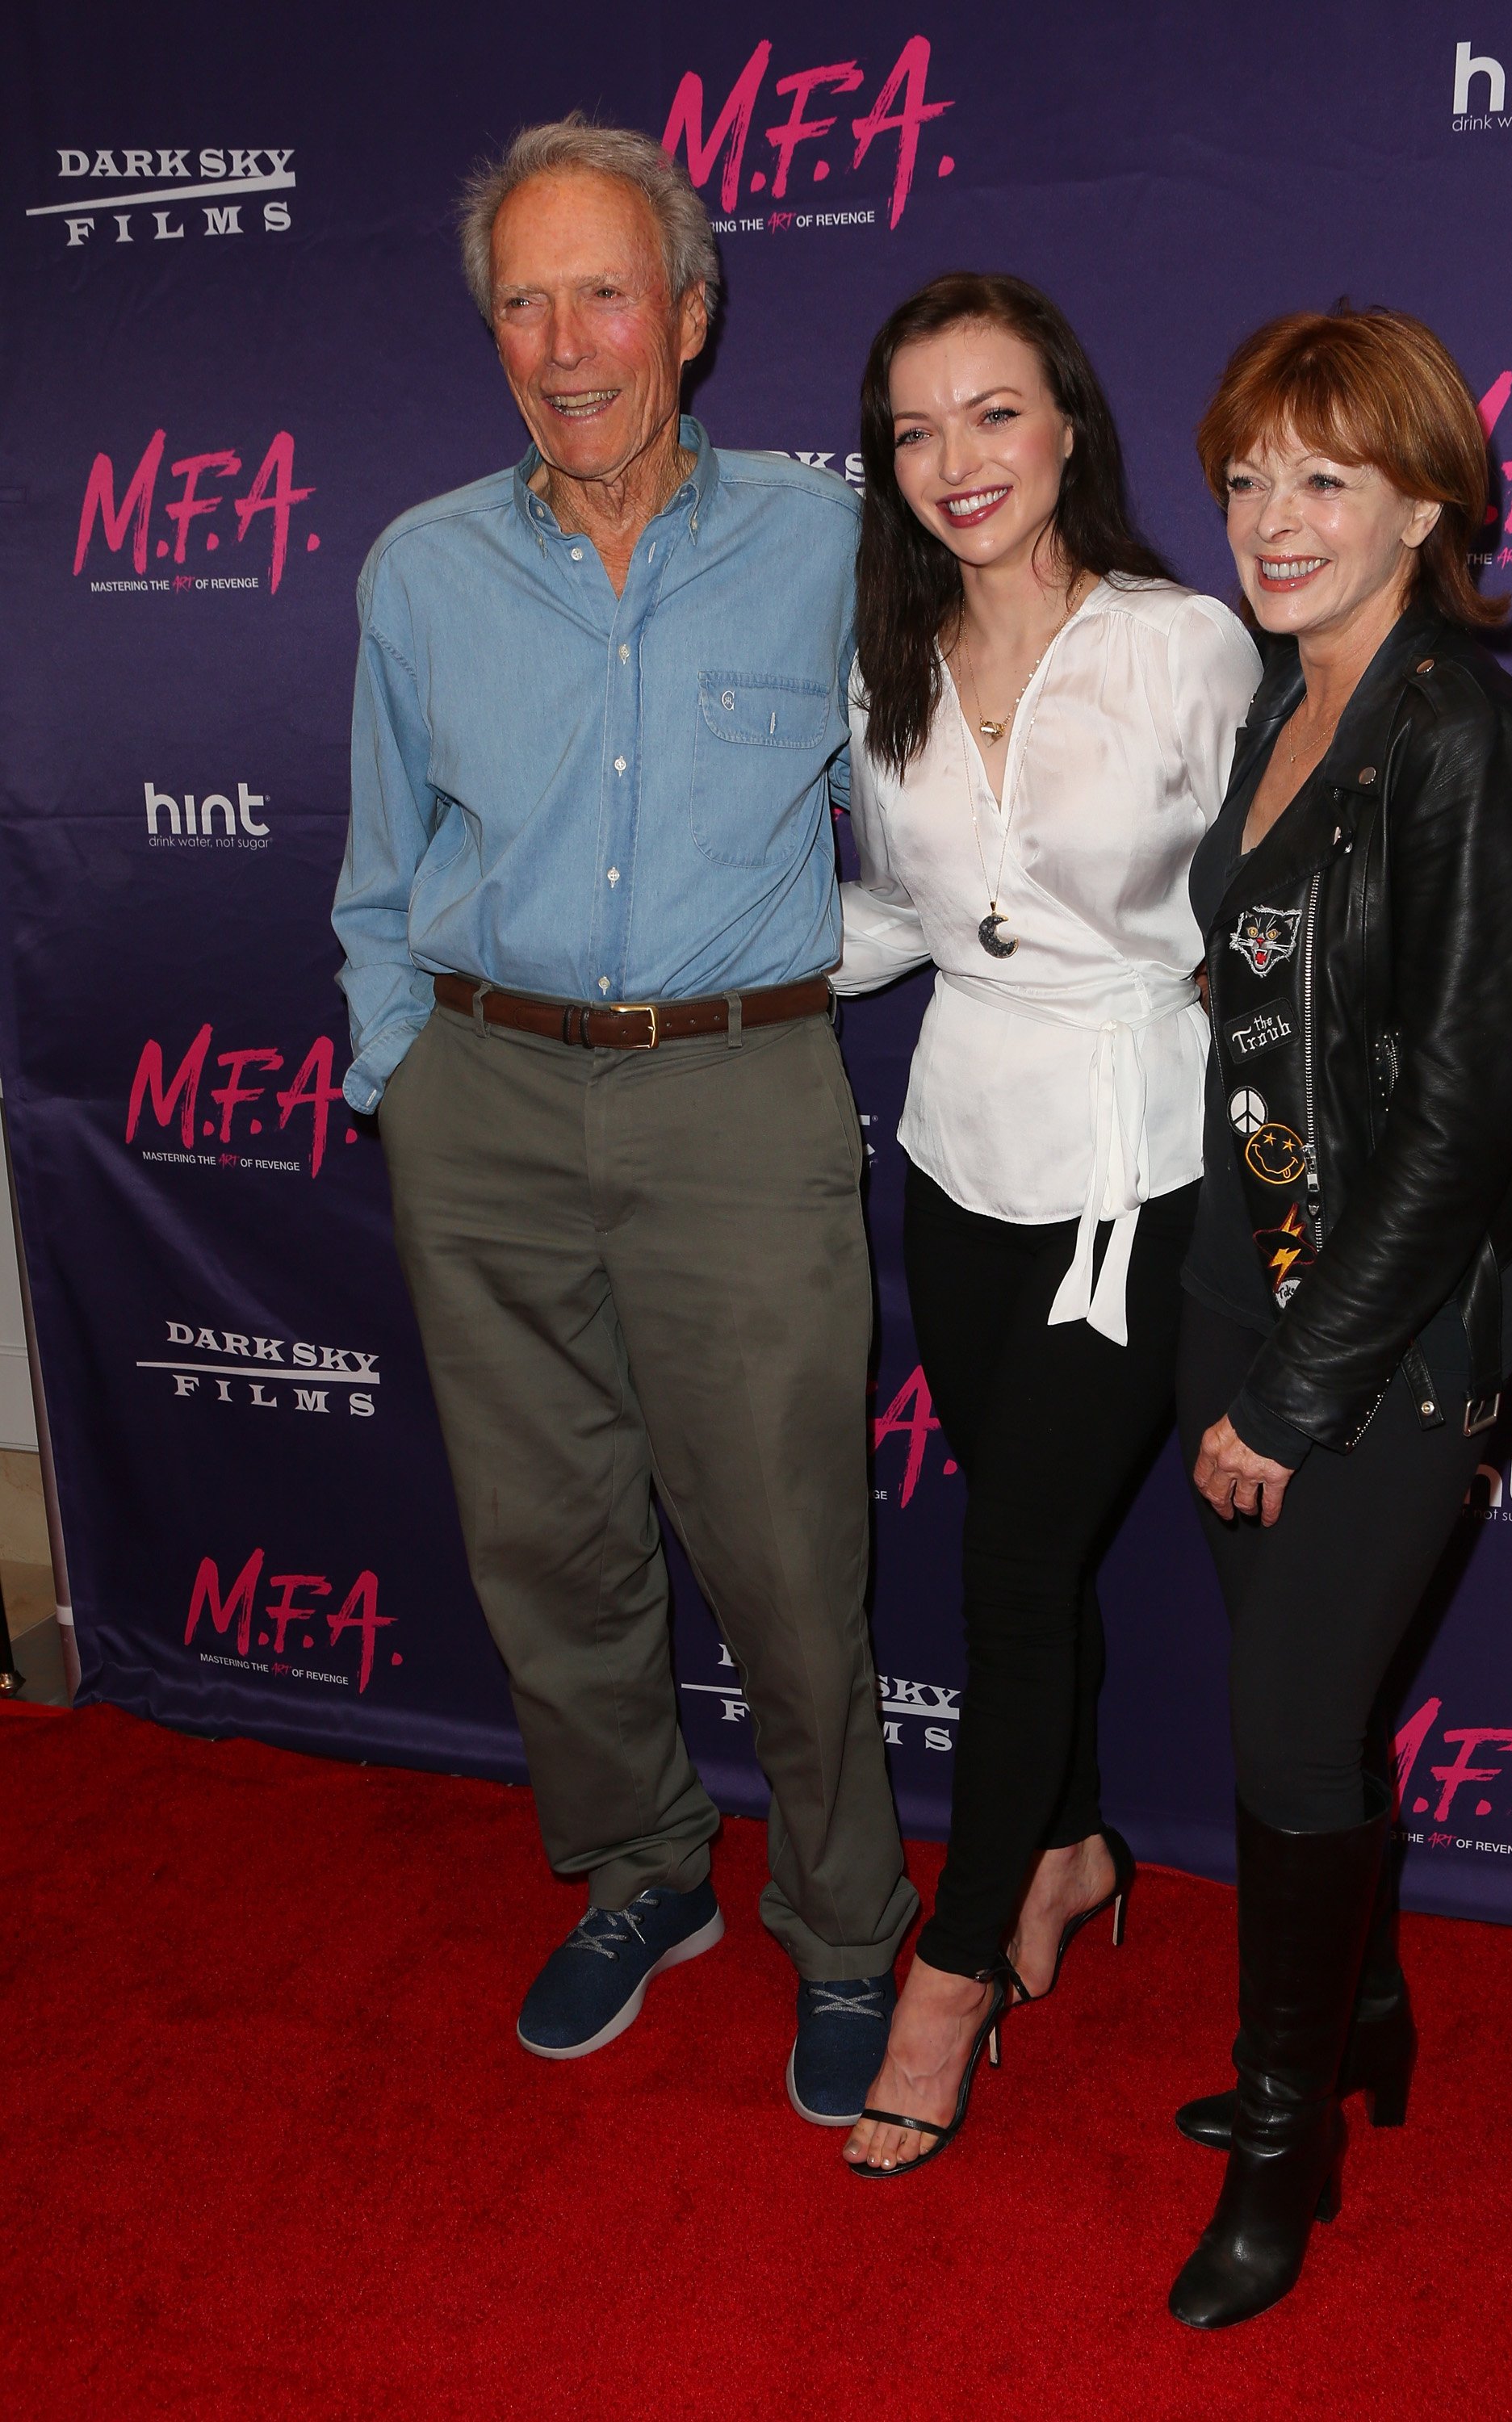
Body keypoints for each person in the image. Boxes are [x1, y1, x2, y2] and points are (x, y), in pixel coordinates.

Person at [331, 115, 918, 2126]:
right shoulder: (420, 566)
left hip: (738, 1098)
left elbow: (957, 794)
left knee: (781, 1545)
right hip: (479, 1098)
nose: (565, 341)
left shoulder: (832, 541)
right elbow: (373, 858)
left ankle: (845, 1932)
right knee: (548, 1541)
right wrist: (395, 1063)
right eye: (523, 298)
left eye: (603, 291)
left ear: (687, 310)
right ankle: (642, 1872)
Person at [1166, 306, 1512, 2327]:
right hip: (1233, 1287)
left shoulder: (1464, 743)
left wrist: (1297, 1390)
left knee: (1284, 1727)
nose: (1272, 516)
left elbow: (1447, 1121)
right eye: (1246, 474)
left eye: (1323, 477)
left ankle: (1281, 2131)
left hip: (1387, 1327)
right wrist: (1217, 1335)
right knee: (1298, 1712)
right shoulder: (1279, 701)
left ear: (1424, 500)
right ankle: (1365, 2015)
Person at [829, 274, 1259, 2177]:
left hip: (1133, 1176)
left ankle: (948, 1973)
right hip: (955, 1158)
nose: (953, 462)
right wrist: (692, 971)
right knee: (1023, 1569)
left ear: (1066, 424)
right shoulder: (888, 657)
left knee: (1005, 1582)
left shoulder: (1184, 646)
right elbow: (911, 920)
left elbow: (1265, 922)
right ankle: (1070, 1848)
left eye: (989, 415)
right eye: (914, 430)